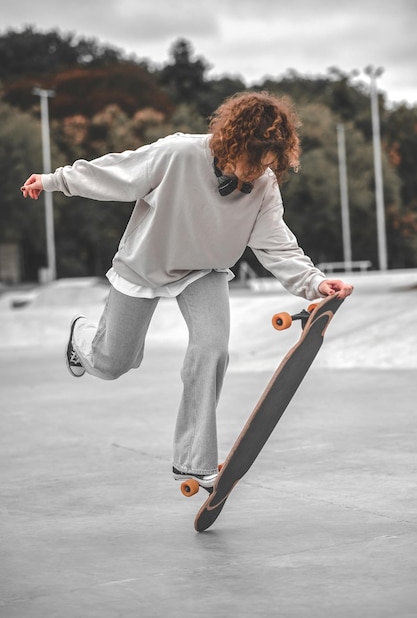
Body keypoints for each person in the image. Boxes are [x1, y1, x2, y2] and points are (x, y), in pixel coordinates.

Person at [21, 91, 353, 488]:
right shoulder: (178, 154)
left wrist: (314, 282)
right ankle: (81, 337)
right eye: (254, 160)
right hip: (147, 264)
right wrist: (55, 180)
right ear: (235, 141)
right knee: (113, 362)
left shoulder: (263, 185)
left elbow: (275, 243)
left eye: (268, 164)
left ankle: (194, 461)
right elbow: (118, 173)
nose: (257, 172)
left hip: (205, 270)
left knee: (212, 349)